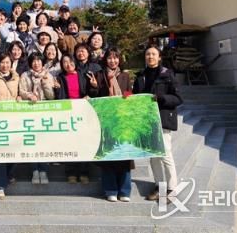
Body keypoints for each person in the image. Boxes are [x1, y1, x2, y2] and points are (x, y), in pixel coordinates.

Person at [133, 45, 183, 202]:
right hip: (147, 121)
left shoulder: (167, 74)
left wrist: (162, 98)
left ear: (159, 57)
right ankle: (159, 186)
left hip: (163, 118)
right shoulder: (140, 75)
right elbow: (136, 96)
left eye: (154, 54)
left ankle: (172, 189)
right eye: (148, 54)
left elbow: (178, 98)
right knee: (153, 156)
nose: (150, 57)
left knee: (165, 154)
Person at [88, 48, 131, 202]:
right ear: (105, 60)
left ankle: (124, 191)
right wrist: (94, 86)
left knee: (125, 155)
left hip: (122, 119)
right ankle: (110, 190)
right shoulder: (99, 75)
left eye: (115, 58)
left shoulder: (125, 76)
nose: (113, 61)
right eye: (110, 58)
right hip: (105, 119)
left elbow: (129, 93)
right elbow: (94, 96)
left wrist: (127, 97)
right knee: (109, 155)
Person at [0, 53, 21, 199]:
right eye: (2, 62)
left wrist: (20, 97)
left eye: (7, 62)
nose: (5, 65)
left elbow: (21, 92)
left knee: (14, 149)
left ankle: (9, 174)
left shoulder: (17, 77)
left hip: (13, 119)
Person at [54, 54, 92, 184]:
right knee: (70, 144)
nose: (68, 64)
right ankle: (71, 172)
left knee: (84, 143)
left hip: (83, 113)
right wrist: (57, 89)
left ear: (75, 62)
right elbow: (59, 97)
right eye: (65, 62)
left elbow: (91, 92)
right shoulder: (60, 77)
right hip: (68, 114)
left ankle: (84, 172)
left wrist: (91, 90)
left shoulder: (83, 75)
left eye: (70, 61)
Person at [18, 53, 55, 185]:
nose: (36, 63)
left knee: (43, 142)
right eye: (34, 61)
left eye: (39, 60)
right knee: (32, 142)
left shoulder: (48, 75)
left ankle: (43, 170)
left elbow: (51, 96)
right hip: (29, 112)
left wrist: (45, 83)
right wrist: (29, 95)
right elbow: (21, 91)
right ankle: (34, 170)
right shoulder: (25, 75)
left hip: (44, 113)